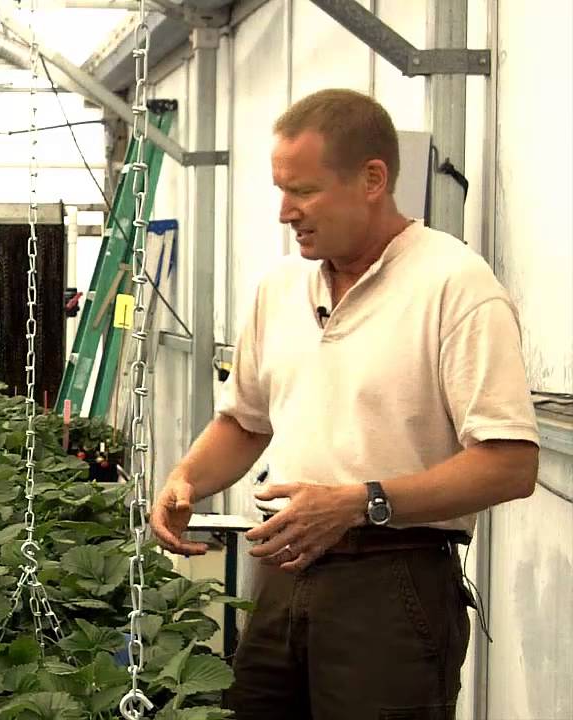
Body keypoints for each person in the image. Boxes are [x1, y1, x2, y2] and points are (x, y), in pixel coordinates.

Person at [149, 89, 539, 719]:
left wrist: (362, 503)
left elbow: (510, 464)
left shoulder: (453, 285)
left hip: (392, 584)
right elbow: (244, 421)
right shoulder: (280, 287)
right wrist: (186, 476)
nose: (285, 212)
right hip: (280, 573)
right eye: (281, 190)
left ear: (372, 179)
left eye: (302, 190)